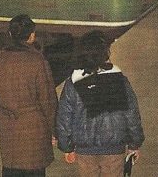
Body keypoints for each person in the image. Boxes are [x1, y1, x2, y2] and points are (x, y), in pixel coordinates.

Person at [56, 31, 144, 175]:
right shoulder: (119, 80)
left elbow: (64, 118)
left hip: (85, 151)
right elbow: (131, 114)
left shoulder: (73, 82)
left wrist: (67, 147)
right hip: (114, 149)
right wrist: (135, 144)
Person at [0, 14, 57, 176]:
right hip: (34, 131)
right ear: (32, 35)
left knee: (11, 170)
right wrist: (54, 130)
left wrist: (3, 120)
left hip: (8, 129)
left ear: (10, 34)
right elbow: (48, 100)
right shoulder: (37, 60)